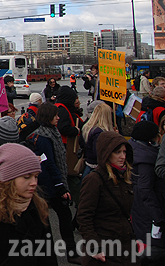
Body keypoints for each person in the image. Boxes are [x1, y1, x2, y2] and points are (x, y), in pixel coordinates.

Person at [26, 103, 78, 264]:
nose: (58, 117)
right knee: (54, 219)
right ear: (48, 116)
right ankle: (64, 253)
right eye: (55, 115)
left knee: (58, 218)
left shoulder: (50, 132)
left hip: (50, 184)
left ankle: (62, 253)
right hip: (49, 186)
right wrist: (59, 185)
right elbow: (49, 163)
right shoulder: (44, 137)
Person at [76, 131, 135, 266]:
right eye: (117, 152)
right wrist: (94, 247)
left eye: (124, 152)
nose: (122, 157)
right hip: (104, 249)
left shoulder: (123, 178)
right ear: (107, 153)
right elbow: (84, 216)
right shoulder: (94, 179)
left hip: (125, 246)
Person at [130, 121, 165, 264]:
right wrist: (158, 217)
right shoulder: (146, 160)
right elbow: (145, 190)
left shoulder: (135, 151)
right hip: (148, 213)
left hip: (140, 209)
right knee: (152, 249)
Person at [81, 103, 115, 178]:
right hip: (95, 166)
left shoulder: (89, 128)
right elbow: (98, 152)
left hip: (89, 164)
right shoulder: (99, 132)